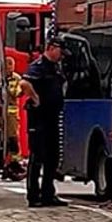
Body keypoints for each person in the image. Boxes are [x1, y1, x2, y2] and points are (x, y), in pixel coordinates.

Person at [19, 35, 67, 208]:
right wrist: (35, 98)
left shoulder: (56, 68)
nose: (62, 56)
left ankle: (48, 193)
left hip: (52, 117)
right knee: (37, 156)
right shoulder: (38, 66)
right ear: (52, 48)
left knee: (52, 157)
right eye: (60, 51)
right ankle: (33, 195)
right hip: (39, 119)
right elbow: (24, 83)